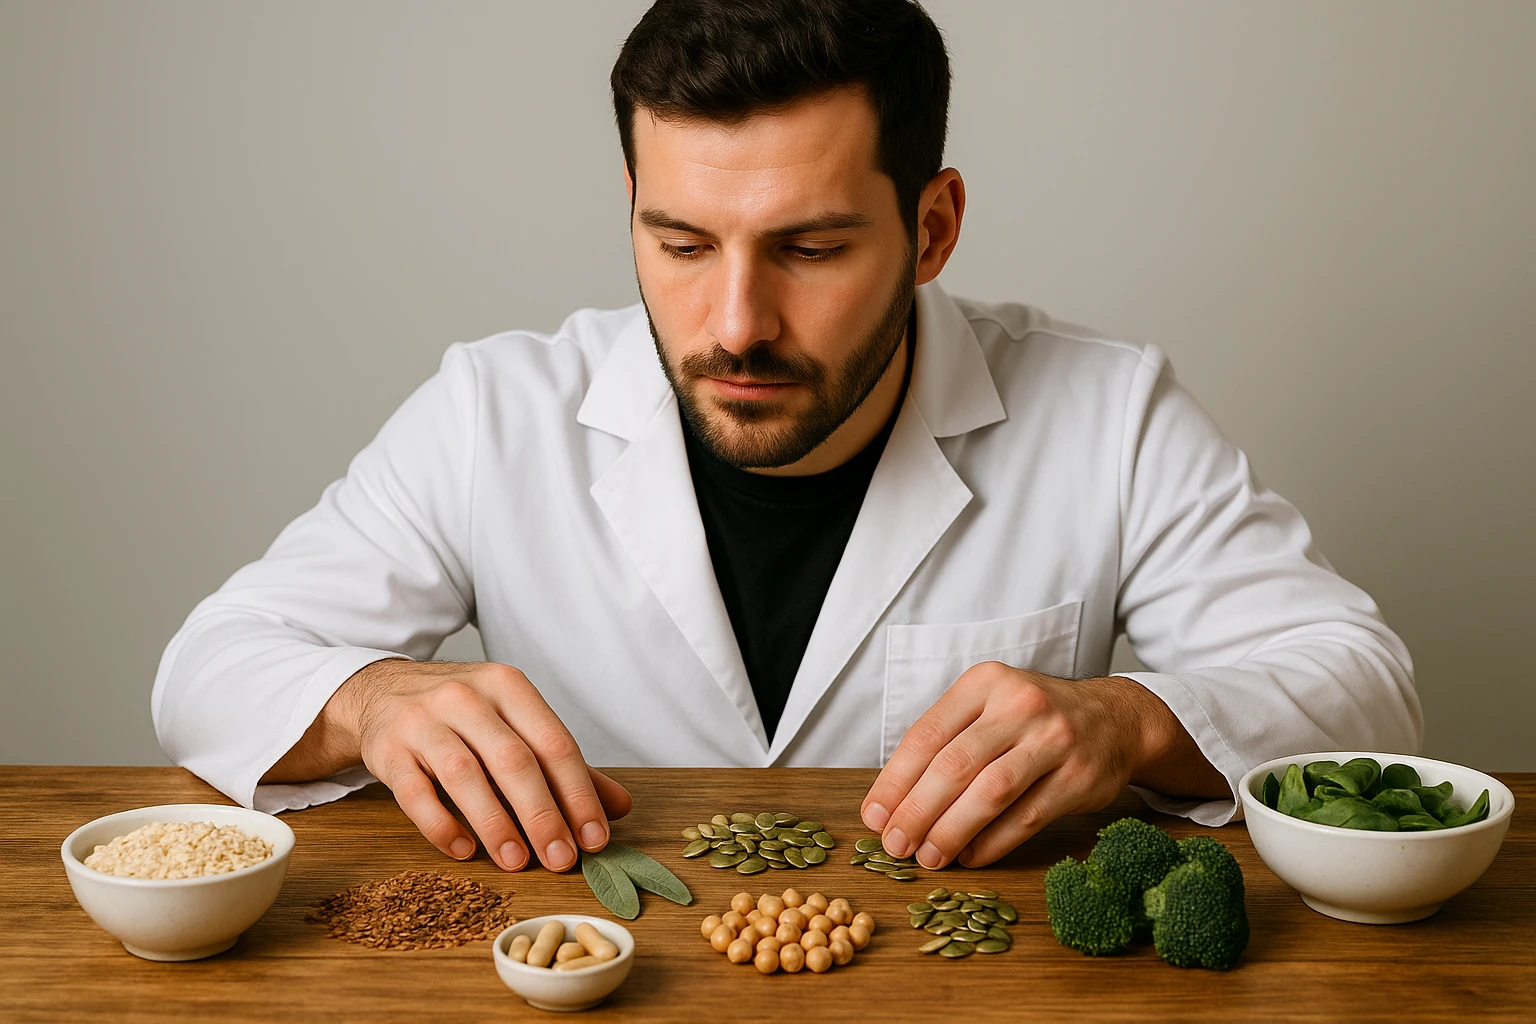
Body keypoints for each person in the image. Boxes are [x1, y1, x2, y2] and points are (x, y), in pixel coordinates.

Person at [152, 0, 1421, 875]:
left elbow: (1366, 685)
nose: (735, 323)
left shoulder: (1111, 411)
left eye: (811, 249)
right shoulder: (494, 411)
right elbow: (209, 664)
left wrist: (1125, 721)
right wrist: (371, 700)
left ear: (931, 229)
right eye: (681, 245)